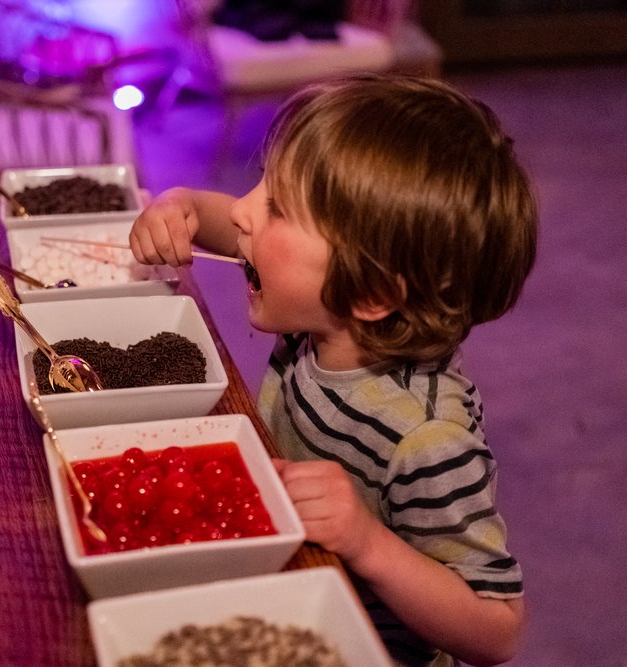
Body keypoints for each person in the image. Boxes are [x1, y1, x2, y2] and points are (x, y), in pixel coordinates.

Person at [128, 74, 536, 666]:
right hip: (281, 593)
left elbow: (498, 629)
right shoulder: (319, 313)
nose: (241, 209)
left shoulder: (428, 440)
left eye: (279, 207)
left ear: (369, 292)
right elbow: (226, 224)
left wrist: (367, 542)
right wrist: (182, 205)